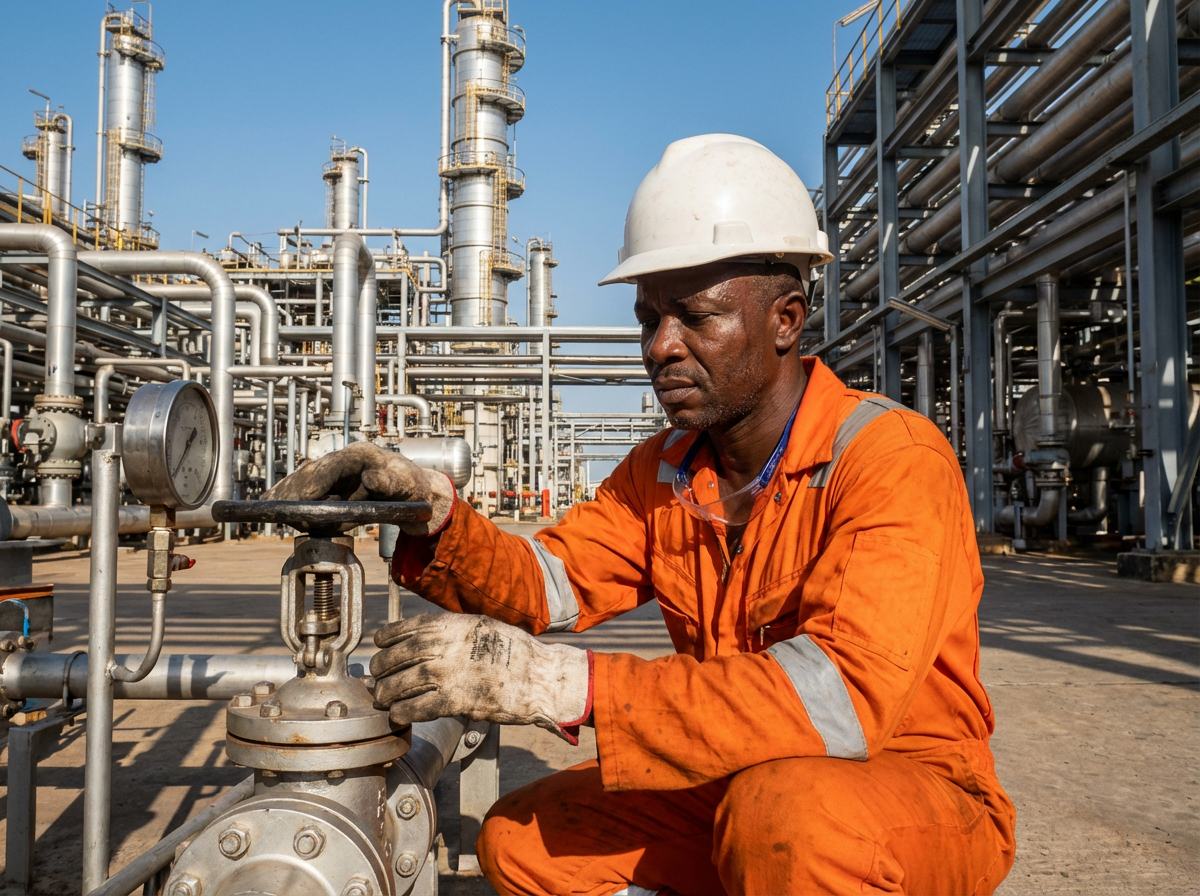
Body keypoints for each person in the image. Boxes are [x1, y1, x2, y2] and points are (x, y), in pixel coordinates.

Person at [266, 134, 1016, 895]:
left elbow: (841, 700)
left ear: (786, 319)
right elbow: (546, 583)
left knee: (787, 820)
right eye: (648, 318)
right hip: (737, 773)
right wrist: (429, 513)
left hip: (900, 790)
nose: (661, 347)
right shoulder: (664, 470)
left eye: (695, 317)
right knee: (525, 844)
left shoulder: (889, 459)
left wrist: (564, 686)